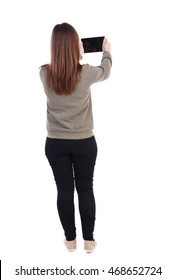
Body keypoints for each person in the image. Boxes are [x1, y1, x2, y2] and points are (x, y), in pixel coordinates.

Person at [39, 22, 112, 253]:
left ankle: (70, 241)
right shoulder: (87, 73)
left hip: (55, 144)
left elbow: (62, 68)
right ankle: (88, 241)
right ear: (74, 46)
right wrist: (106, 51)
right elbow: (106, 71)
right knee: (85, 189)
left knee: (64, 190)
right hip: (84, 143)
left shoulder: (44, 73)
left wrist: (74, 53)